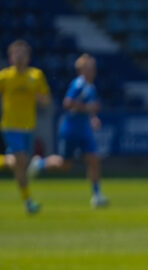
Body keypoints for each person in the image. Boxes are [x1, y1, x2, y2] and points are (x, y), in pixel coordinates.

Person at [30, 53, 108, 208]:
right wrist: (87, 108)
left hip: (84, 129)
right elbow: (67, 103)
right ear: (81, 70)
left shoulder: (91, 87)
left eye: (93, 68)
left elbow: (91, 107)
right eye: (89, 68)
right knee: (64, 165)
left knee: (93, 159)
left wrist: (93, 118)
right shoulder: (78, 84)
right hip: (70, 129)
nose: (93, 71)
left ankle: (97, 195)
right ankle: (40, 163)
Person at [0, 40, 51, 214]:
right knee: (20, 160)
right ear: (11, 57)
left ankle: (27, 200)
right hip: (10, 125)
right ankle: (28, 203)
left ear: (28, 57)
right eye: (17, 54)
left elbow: (46, 99)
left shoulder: (36, 75)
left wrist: (39, 97)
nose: (20, 57)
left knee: (19, 165)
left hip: (28, 126)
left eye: (23, 54)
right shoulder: (4, 76)